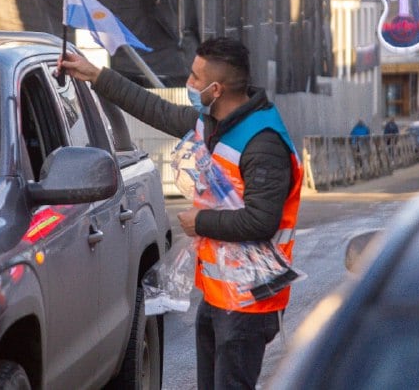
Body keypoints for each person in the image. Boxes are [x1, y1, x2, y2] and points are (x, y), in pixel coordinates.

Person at [58, 37, 302, 390]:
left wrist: (198, 222)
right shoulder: (213, 122)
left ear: (216, 89)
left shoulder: (262, 143)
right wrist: (95, 76)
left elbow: (261, 221)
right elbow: (154, 109)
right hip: (221, 296)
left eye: (194, 77)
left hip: (250, 302)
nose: (188, 84)